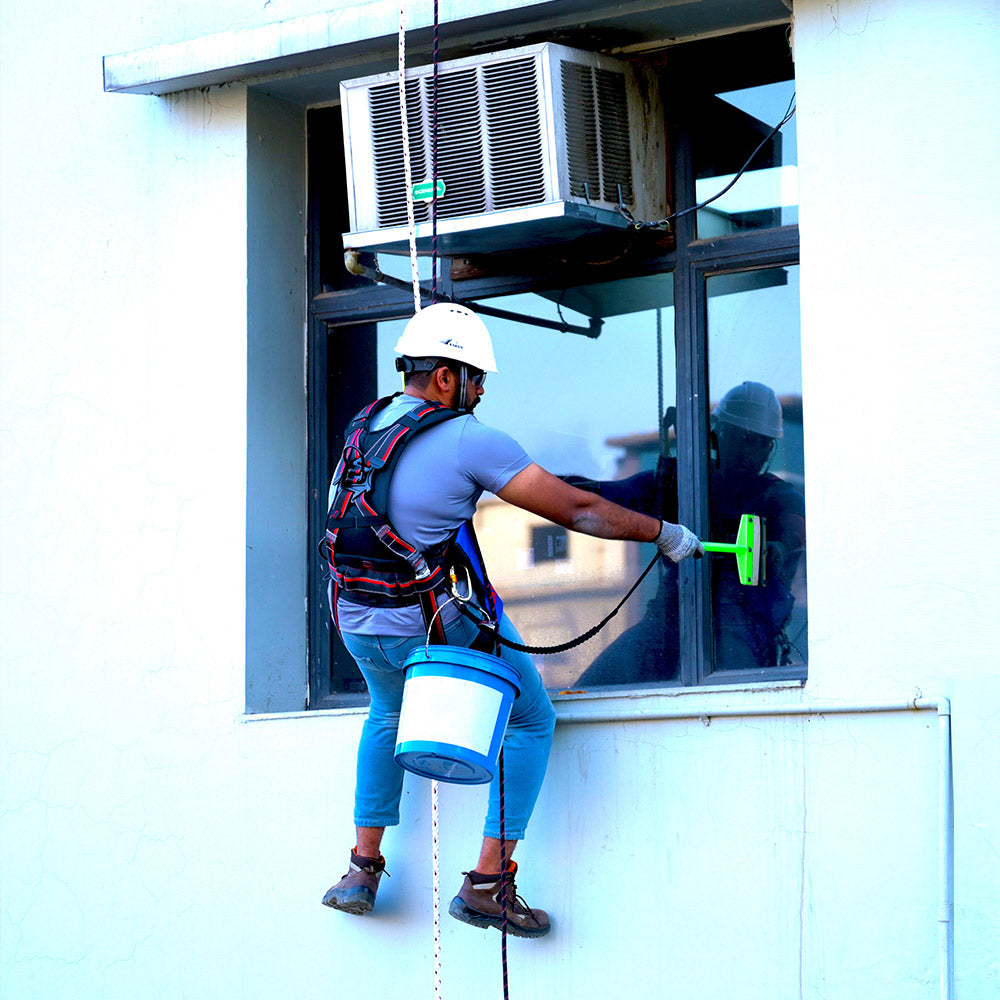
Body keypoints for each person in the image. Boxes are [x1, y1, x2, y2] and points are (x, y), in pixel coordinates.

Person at [319, 302, 703, 937]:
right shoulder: (469, 438)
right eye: (476, 378)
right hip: (426, 626)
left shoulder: (366, 424)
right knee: (530, 718)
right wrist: (662, 532)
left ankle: (361, 869)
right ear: (446, 376)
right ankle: (488, 883)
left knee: (386, 714)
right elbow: (578, 510)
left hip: (358, 620)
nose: (482, 392)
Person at [573, 381, 806, 686]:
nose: (750, 450)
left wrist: (779, 547)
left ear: (769, 448)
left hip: (743, 626)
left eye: (759, 442)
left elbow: (795, 528)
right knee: (593, 689)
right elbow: (608, 494)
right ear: (717, 436)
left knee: (735, 696)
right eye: (741, 438)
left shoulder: (778, 496)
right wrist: (543, 488)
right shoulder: (679, 482)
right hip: (669, 619)